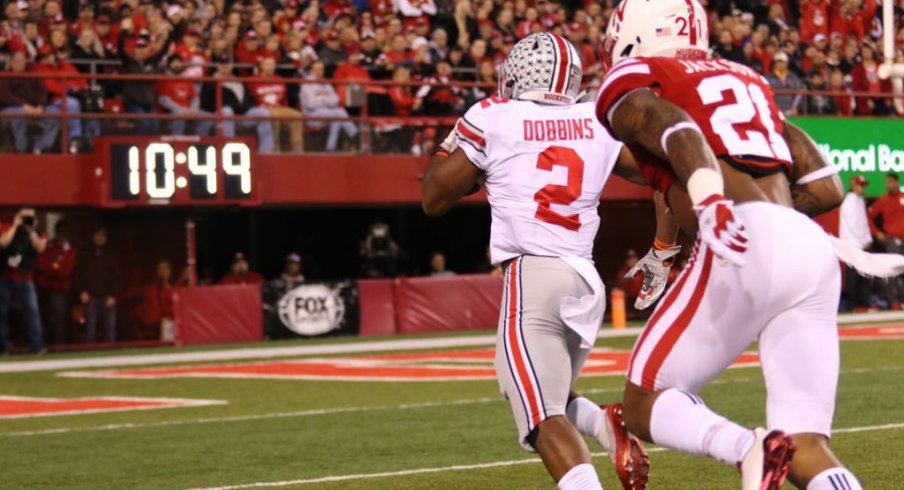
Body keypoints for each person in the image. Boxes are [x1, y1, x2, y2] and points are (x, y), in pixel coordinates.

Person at [596, 0, 861, 488]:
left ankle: (747, 448)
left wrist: (712, 197)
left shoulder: (642, 74)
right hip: (809, 249)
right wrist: (763, 220)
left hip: (742, 237)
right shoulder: (745, 77)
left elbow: (676, 128)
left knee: (642, 403)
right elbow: (826, 186)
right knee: (806, 441)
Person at [422, 33, 680, 490]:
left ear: (517, 73)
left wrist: (452, 152)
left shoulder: (493, 115)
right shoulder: (596, 119)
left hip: (533, 276)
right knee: (529, 388)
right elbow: (663, 172)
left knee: (542, 416)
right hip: (585, 282)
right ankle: (605, 425)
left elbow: (433, 197)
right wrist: (662, 246)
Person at [199, 54, 275, 153]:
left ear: (232, 65)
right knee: (227, 111)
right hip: (220, 114)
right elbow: (205, 102)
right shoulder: (211, 81)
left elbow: (248, 99)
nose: (225, 67)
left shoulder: (238, 80)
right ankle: (228, 148)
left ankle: (266, 150)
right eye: (223, 64)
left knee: (263, 113)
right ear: (218, 66)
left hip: (242, 113)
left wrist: (247, 107)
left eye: (228, 64)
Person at [0, 208, 47, 355]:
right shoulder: (9, 228)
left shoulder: (37, 231)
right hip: (6, 277)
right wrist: (15, 225)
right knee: (2, 313)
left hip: (26, 278)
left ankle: (37, 346)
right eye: (24, 217)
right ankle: (2, 347)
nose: (26, 220)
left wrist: (31, 229)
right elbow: (3, 243)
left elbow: (40, 247)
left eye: (30, 217)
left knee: (32, 312)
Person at [0, 50, 56, 153]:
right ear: (11, 62)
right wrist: (24, 106)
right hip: (10, 109)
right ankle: (21, 149)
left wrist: (40, 106)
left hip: (34, 108)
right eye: (17, 61)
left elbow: (42, 91)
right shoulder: (4, 75)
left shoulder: (32, 74)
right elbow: (5, 96)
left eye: (22, 61)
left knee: (55, 114)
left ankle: (40, 148)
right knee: (19, 114)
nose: (20, 64)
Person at [73, 227, 121, 343]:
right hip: (90, 297)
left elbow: (117, 278)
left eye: (103, 235)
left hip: (107, 298)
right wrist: (81, 292)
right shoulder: (84, 255)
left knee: (109, 329)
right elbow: (77, 275)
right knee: (90, 329)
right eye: (97, 235)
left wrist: (113, 295)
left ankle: (110, 357)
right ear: (93, 236)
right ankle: (90, 355)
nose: (100, 238)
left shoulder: (112, 256)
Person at [300, 60, 359, 152]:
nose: (319, 72)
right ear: (311, 70)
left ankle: (330, 148)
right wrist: (327, 100)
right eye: (316, 69)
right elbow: (311, 105)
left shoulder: (326, 83)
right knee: (339, 112)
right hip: (312, 116)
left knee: (337, 119)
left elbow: (336, 100)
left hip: (329, 114)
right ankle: (355, 136)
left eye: (321, 69)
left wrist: (321, 99)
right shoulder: (307, 84)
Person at [35, 219, 76, 345]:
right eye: (61, 230)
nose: (63, 233)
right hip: (45, 289)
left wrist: (54, 270)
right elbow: (41, 265)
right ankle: (47, 345)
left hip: (63, 290)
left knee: (60, 321)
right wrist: (53, 269)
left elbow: (66, 271)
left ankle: (60, 346)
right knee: (46, 319)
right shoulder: (49, 246)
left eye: (66, 231)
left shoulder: (71, 249)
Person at [867, 173, 904, 309]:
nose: (889, 185)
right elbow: (868, 217)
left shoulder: (902, 197)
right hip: (892, 239)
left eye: (891, 182)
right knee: (894, 270)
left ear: (897, 182)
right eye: (887, 182)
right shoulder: (883, 200)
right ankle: (895, 301)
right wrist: (877, 233)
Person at [839, 176, 873, 311]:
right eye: (860, 185)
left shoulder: (858, 200)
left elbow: (863, 223)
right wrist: (865, 240)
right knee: (853, 276)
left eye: (863, 185)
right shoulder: (850, 201)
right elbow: (854, 225)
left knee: (863, 275)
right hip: (853, 244)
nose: (862, 188)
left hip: (860, 244)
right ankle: (853, 304)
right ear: (853, 186)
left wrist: (868, 239)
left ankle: (863, 303)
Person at [141, 260, 176, 341]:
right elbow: (157, 309)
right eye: (160, 268)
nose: (162, 271)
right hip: (159, 320)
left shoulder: (174, 285)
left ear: (170, 270)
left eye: (165, 268)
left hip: (172, 318)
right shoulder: (154, 288)